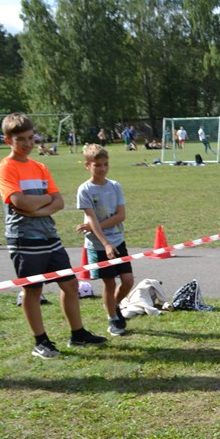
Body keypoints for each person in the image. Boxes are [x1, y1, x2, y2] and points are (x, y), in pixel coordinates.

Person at [0, 113, 107, 358]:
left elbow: (58, 202)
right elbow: (17, 200)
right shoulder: (6, 168)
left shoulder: (40, 166)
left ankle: (78, 334)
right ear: (8, 141)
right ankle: (41, 341)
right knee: (33, 291)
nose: (27, 143)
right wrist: (39, 203)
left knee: (70, 284)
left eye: (30, 137)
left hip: (49, 236)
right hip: (24, 240)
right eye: (20, 139)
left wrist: (37, 206)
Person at [75, 143, 134, 337]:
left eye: (105, 164)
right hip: (98, 245)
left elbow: (121, 215)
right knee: (109, 283)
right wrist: (104, 241)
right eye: (97, 165)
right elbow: (91, 217)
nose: (102, 168)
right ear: (87, 165)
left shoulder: (115, 186)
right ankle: (112, 319)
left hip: (117, 240)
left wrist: (94, 227)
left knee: (127, 280)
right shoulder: (84, 190)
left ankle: (115, 306)